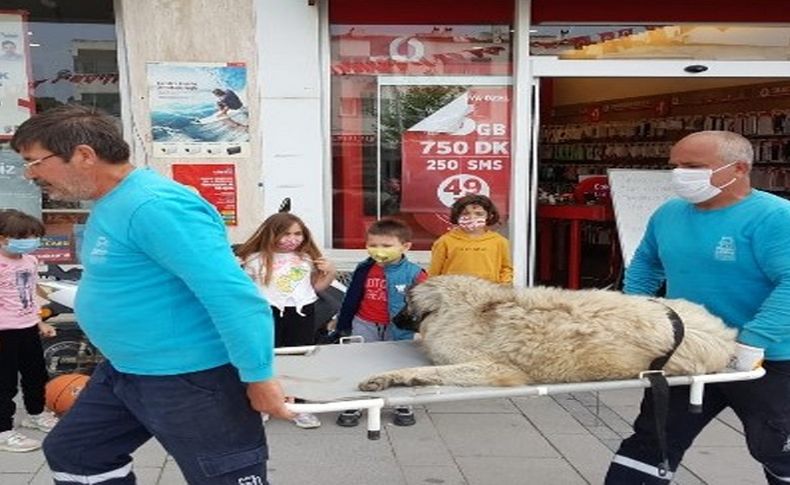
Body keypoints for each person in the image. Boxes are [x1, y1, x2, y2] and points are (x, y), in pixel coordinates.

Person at [12, 105, 292, 485]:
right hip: (127, 371)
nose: (31, 175)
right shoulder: (111, 203)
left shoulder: (156, 207)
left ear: (83, 155)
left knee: (225, 477)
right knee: (77, 452)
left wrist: (259, 377)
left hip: (190, 378)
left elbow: (232, 296)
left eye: (35, 162)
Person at [605, 131, 790, 484]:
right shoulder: (670, 213)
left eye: (692, 166)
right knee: (652, 441)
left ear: (738, 169)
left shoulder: (775, 218)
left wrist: (754, 340)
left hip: (767, 361)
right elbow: (645, 263)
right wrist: (637, 314)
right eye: (675, 166)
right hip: (691, 352)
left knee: (776, 447)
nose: (679, 175)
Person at [236, 211, 336, 429]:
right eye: (286, 233)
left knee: (297, 357)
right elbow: (242, 290)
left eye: (298, 233)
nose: (293, 239)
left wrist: (329, 273)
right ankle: (265, 404)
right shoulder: (255, 259)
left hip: (301, 312)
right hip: (266, 312)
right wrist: (234, 267)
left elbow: (316, 288)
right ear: (271, 234)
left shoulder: (307, 258)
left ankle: (298, 406)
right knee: (267, 356)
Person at [335, 218, 427, 427]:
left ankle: (402, 402)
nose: (379, 250)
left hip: (398, 327)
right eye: (373, 245)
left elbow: (425, 301)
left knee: (399, 363)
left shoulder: (414, 273)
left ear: (405, 247)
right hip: (364, 322)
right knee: (359, 361)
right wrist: (341, 320)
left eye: (386, 246)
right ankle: (356, 401)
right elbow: (352, 296)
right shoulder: (364, 268)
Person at [0, 209, 59, 453]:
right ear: (3, 237)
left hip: (26, 328)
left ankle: (35, 414)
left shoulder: (30, 261)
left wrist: (40, 321)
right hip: (3, 331)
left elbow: (31, 294)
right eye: (24, 237)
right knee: (4, 383)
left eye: (34, 237)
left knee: (36, 376)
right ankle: (3, 431)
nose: (30, 242)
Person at [428, 194, 513, 284]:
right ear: (457, 216)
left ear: (489, 216)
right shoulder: (445, 241)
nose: (472, 217)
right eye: (465, 213)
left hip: (487, 292)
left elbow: (505, 268)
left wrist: (504, 286)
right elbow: (434, 271)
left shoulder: (499, 241)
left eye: (479, 214)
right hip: (453, 292)